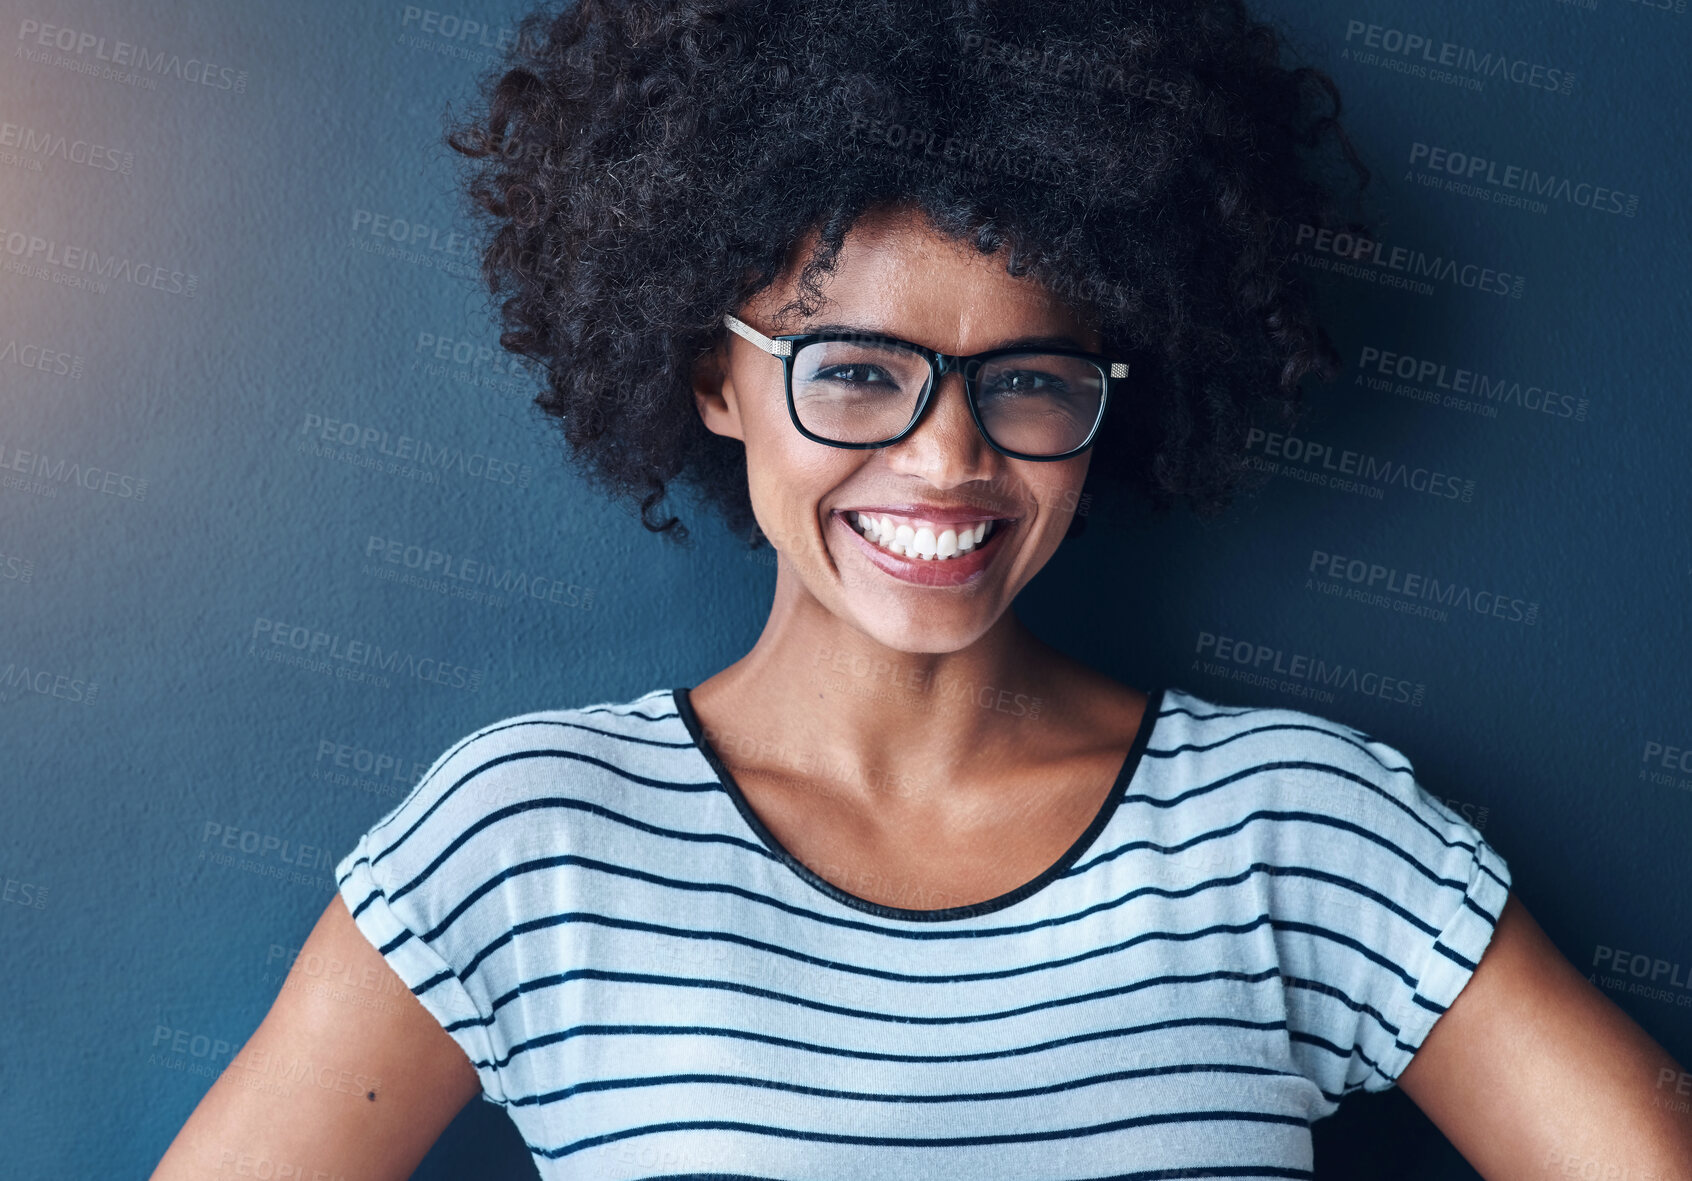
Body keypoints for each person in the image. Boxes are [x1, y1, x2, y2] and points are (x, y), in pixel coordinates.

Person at [151, 1, 1692, 1178]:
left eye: (1026, 378)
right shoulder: (526, 841)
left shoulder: (1293, 829)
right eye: (861, 371)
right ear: (714, 375)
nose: (948, 457)